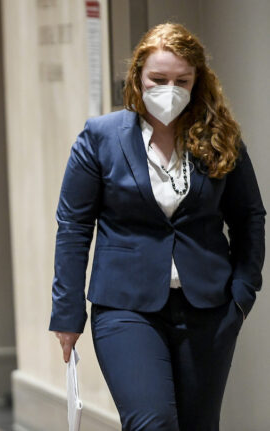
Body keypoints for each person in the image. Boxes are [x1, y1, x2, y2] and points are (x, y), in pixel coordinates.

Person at [49, 22, 265, 431]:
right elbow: (74, 227)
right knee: (152, 423)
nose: (170, 89)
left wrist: (242, 293)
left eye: (182, 80)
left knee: (199, 424)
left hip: (209, 307)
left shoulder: (221, 137)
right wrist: (67, 311)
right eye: (159, 79)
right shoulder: (101, 138)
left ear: (198, 80)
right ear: (138, 78)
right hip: (125, 307)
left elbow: (249, 217)